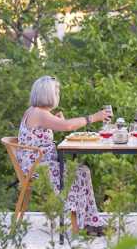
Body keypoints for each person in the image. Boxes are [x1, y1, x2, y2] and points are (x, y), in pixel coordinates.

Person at [17, 75, 111, 235]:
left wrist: (58, 121)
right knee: (80, 173)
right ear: (47, 94)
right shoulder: (39, 113)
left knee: (82, 171)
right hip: (38, 170)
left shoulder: (35, 112)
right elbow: (67, 126)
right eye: (56, 91)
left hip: (39, 165)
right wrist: (93, 118)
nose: (58, 94)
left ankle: (90, 222)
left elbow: (57, 126)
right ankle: (87, 223)